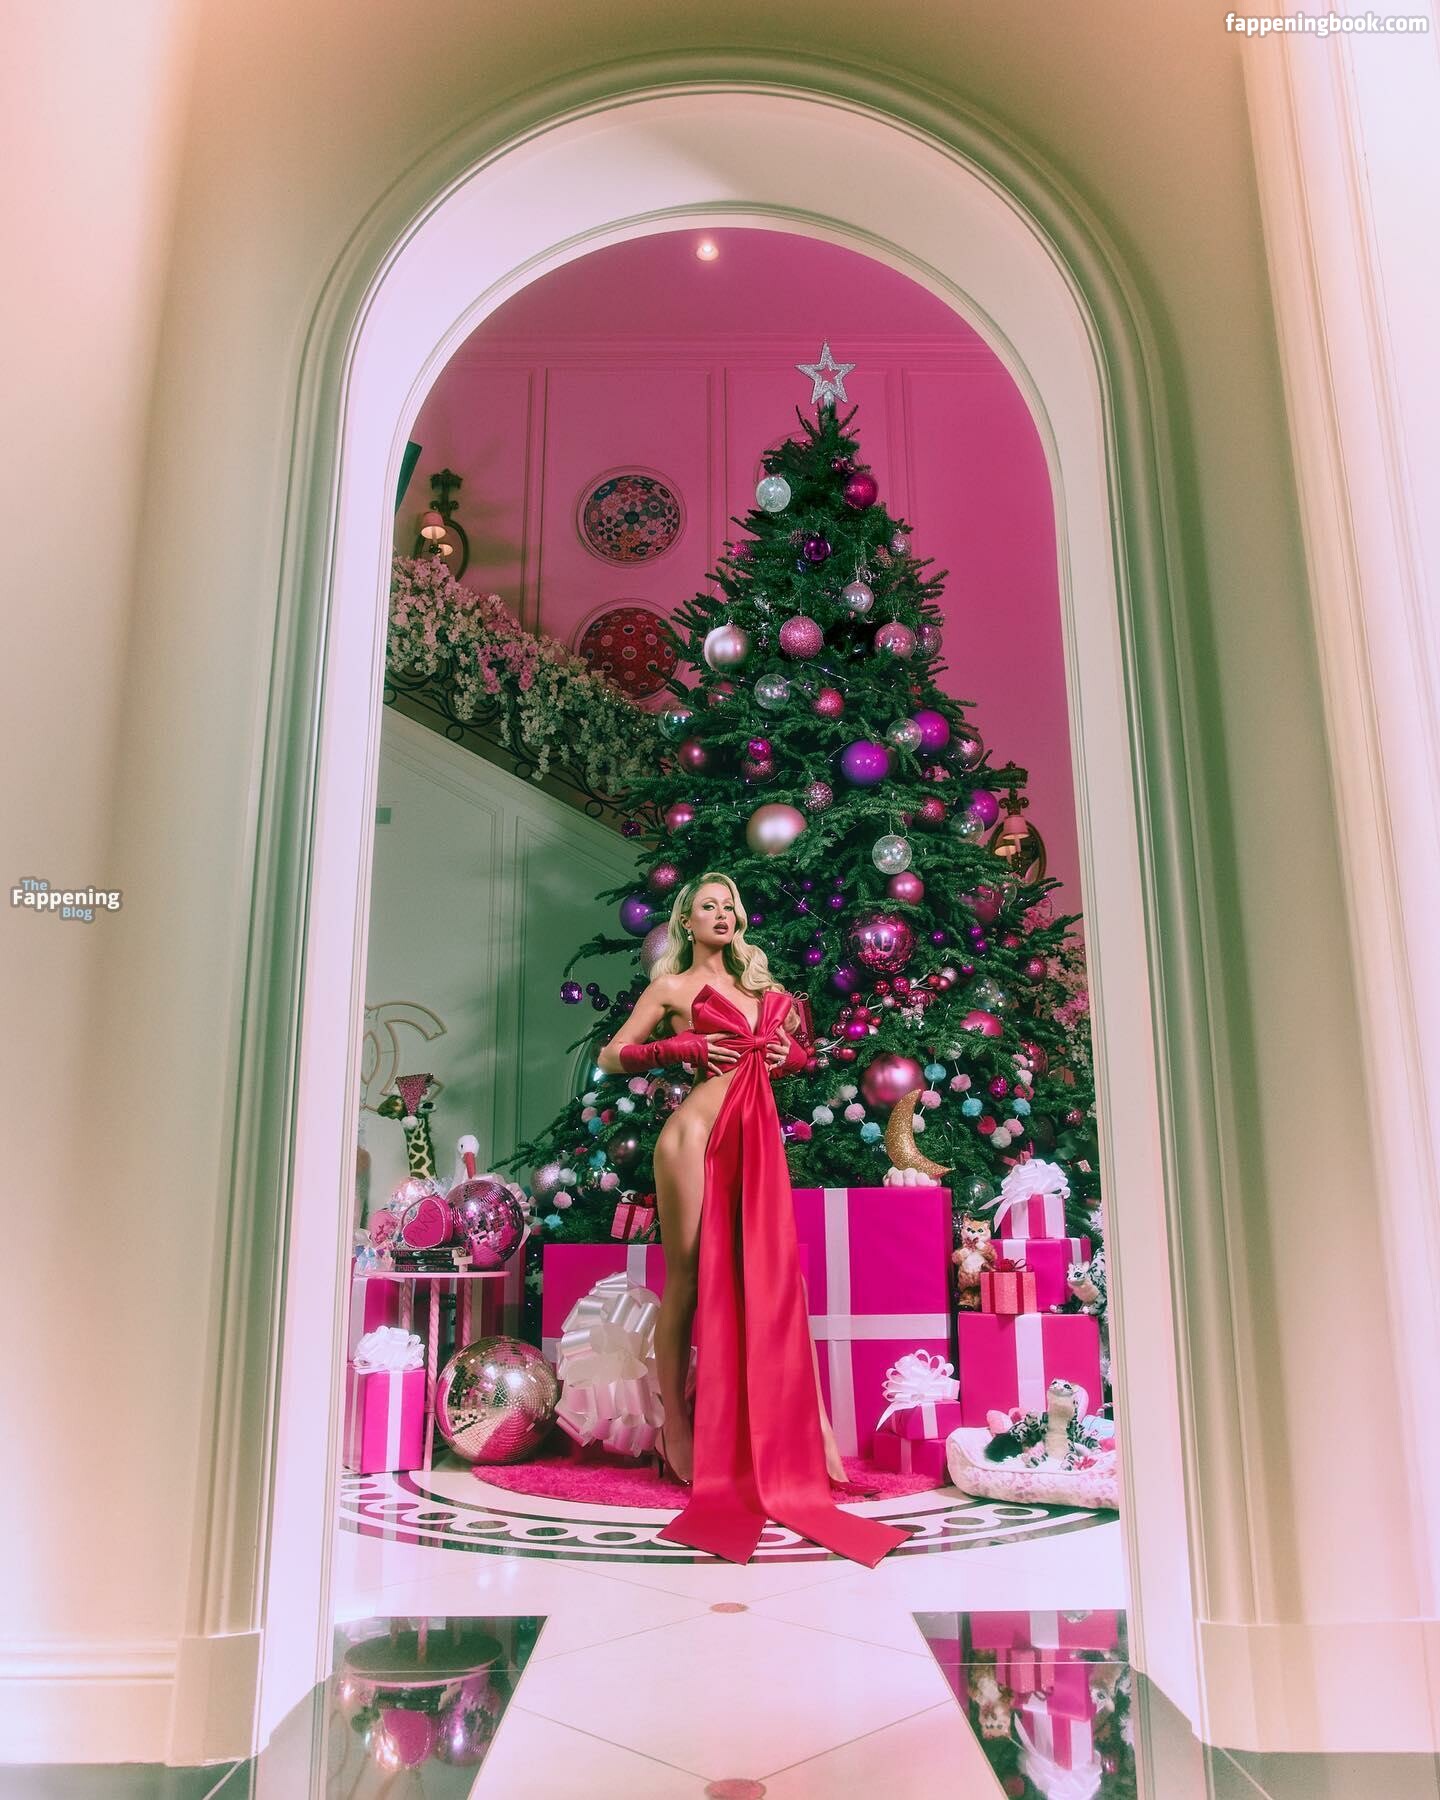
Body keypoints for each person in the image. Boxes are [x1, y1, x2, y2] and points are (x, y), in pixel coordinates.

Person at [596, 870, 908, 1567]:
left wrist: (787, 1052)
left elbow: (797, 1057)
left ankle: (811, 1435)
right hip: (692, 1137)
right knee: (687, 1280)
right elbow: (611, 1055)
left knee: (775, 1283)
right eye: (707, 905)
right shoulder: (671, 989)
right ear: (686, 921)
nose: (721, 914)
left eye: (729, 905)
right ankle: (678, 1427)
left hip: (754, 1140)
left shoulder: (763, 993)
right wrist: (679, 1048)